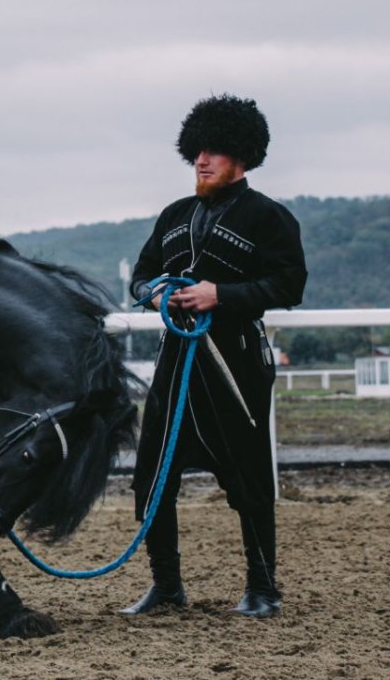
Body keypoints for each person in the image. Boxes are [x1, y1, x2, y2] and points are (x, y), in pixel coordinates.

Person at [122, 94, 308, 618]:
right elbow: (141, 274)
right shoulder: (174, 216)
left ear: (241, 157)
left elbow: (290, 283)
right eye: (197, 151)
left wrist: (219, 295)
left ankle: (262, 588)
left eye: (215, 151)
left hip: (236, 362)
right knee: (153, 472)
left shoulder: (269, 217)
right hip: (176, 361)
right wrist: (157, 294)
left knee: (248, 476)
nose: (201, 161)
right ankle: (166, 585)